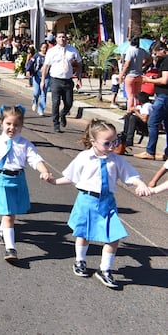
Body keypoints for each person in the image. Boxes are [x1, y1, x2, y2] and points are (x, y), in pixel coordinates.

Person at [46, 119, 149, 288]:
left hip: (107, 202)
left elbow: (130, 176)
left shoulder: (116, 160)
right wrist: (54, 182)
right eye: (107, 143)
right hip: (87, 200)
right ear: (93, 141)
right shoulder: (84, 157)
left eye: (115, 141)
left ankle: (105, 270)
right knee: (83, 234)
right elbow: (71, 177)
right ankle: (80, 261)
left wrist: (140, 184)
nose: (112, 146)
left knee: (114, 237)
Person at [0, 105, 51, 260]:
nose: (12, 128)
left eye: (16, 125)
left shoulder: (25, 144)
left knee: (12, 211)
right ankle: (11, 248)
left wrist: (43, 170)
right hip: (1, 179)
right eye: (8, 124)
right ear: (2, 123)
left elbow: (35, 159)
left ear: (21, 126)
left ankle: (3, 231)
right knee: (8, 213)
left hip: (18, 179)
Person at [40, 32, 82, 133]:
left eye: (64, 37)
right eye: (60, 37)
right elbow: (46, 66)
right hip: (55, 80)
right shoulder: (52, 51)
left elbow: (79, 63)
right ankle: (56, 124)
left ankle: (63, 114)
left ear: (66, 38)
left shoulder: (72, 49)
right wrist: (43, 80)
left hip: (68, 81)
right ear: (56, 39)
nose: (62, 39)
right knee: (56, 102)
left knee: (69, 103)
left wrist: (79, 78)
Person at [135, 42, 168, 160]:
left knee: (152, 122)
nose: (155, 56)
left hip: (163, 96)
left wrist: (148, 80)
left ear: (162, 49)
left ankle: (150, 151)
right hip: (163, 96)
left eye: (156, 53)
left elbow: (165, 80)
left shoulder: (166, 61)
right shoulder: (162, 61)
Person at [119, 36, 151, 111]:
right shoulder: (142, 51)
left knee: (130, 96)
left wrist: (121, 74)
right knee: (137, 95)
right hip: (139, 75)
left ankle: (129, 111)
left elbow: (127, 64)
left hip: (130, 75)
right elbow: (150, 59)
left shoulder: (130, 51)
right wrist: (144, 65)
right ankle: (137, 110)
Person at [25, 42, 48, 115]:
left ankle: (41, 109)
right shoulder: (36, 55)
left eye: (46, 47)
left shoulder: (49, 56)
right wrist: (28, 71)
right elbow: (30, 63)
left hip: (46, 76)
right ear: (40, 48)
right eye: (43, 47)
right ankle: (35, 102)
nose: (45, 49)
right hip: (37, 76)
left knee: (43, 93)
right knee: (36, 92)